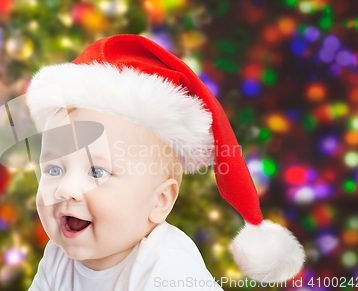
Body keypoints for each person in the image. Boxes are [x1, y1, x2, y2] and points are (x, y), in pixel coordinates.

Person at [25, 34, 305, 291]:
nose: (65, 189)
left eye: (97, 171)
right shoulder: (56, 257)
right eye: (54, 169)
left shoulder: (167, 266)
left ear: (159, 202)